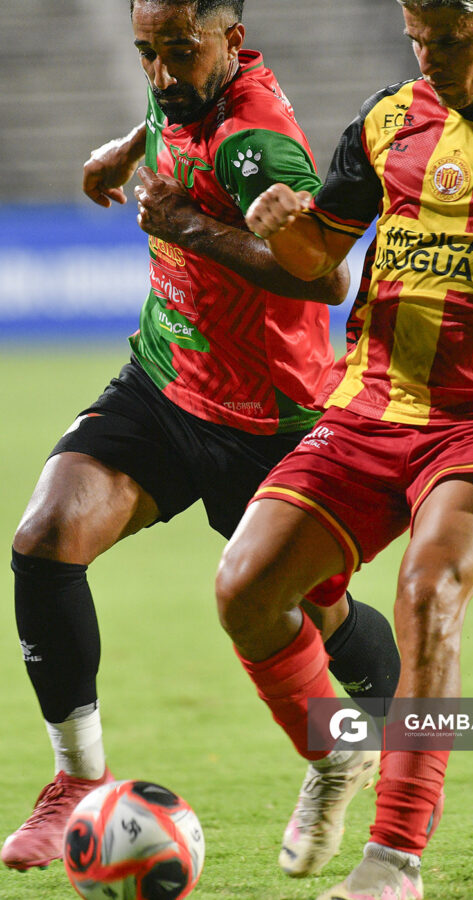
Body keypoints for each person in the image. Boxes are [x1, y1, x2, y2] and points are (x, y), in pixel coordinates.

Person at [2, 0, 402, 875]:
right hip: (165, 383)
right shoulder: (180, 85)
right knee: (43, 540)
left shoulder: (256, 142)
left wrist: (181, 223)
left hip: (274, 418)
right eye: (144, 51)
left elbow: (324, 275)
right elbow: (167, 112)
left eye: (177, 52)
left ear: (232, 40)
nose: (157, 72)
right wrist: (129, 146)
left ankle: (393, 737)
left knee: (312, 613)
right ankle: (76, 780)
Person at [215, 0, 473, 897]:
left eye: (450, 41)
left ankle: (393, 862)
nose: (429, 56)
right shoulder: (387, 120)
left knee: (430, 590)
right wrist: (283, 223)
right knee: (245, 590)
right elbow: (322, 256)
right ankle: (336, 754)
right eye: (417, 38)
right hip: (368, 407)